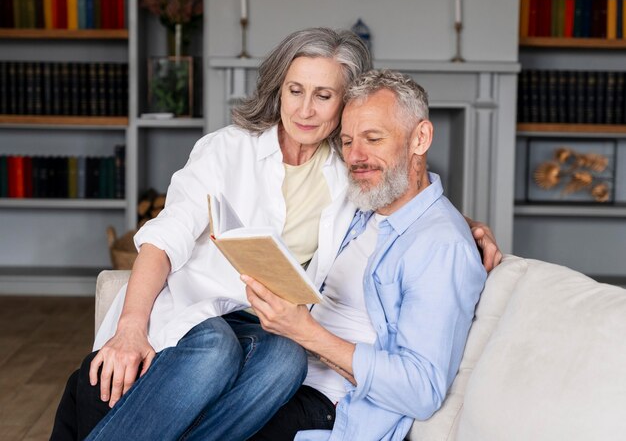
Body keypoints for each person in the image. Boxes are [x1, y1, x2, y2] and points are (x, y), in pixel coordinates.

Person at [51, 28, 500, 441]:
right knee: (213, 349)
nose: (305, 110)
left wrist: (463, 225)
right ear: (278, 91)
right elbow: (165, 237)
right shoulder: (227, 149)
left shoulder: (347, 167)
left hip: (269, 330)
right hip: (196, 319)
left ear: (344, 104)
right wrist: (130, 328)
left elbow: (403, 188)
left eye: (323, 96)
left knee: (286, 358)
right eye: (295, 91)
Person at [243, 69, 487, 441]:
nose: (355, 157)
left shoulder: (442, 246)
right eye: (346, 142)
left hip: (327, 405)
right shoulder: (360, 209)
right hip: (278, 370)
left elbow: (421, 390)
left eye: (373, 139)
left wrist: (305, 332)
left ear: (420, 137)